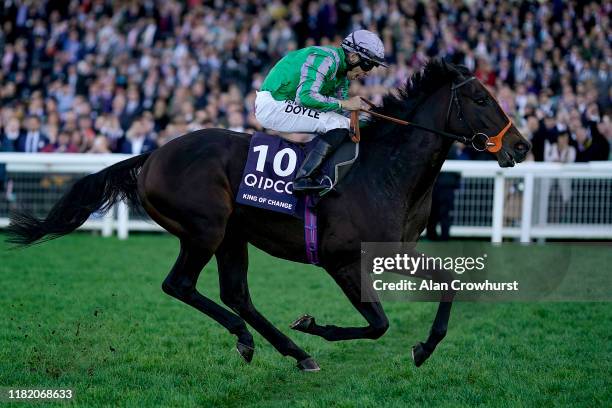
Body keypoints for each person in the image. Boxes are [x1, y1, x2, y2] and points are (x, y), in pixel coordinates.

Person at [255, 29, 387, 192]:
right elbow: (306, 97)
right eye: (368, 64)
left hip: (286, 102)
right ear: (353, 56)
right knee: (339, 124)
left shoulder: (342, 77)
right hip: (273, 103)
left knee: (345, 122)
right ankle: (303, 178)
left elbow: (340, 112)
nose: (368, 72)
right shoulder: (326, 58)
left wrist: (375, 121)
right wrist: (346, 104)